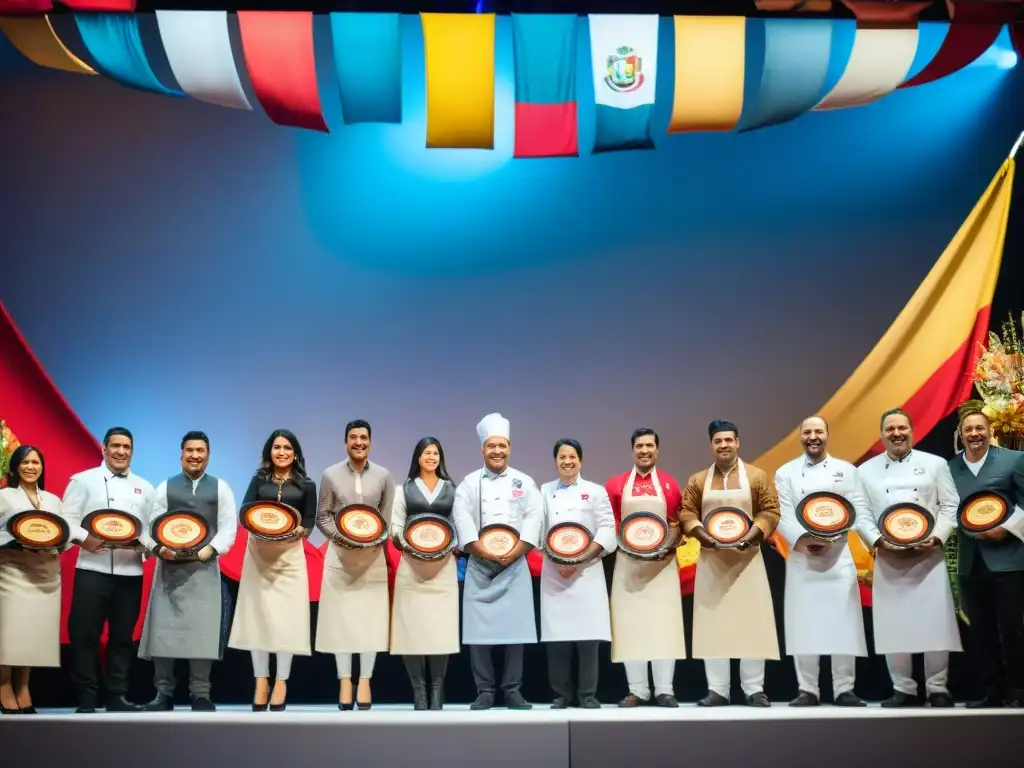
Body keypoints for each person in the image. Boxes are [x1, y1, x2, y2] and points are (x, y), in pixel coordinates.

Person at [858, 408, 960, 707]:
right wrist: (878, 541)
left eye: (901, 427)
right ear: (881, 434)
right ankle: (903, 688)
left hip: (929, 555)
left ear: (912, 431)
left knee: (936, 622)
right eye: (890, 429)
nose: (896, 433)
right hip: (889, 557)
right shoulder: (865, 471)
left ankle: (937, 688)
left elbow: (950, 505)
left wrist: (938, 536)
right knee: (894, 624)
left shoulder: (935, 464)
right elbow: (861, 513)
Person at [773, 416, 876, 707]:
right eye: (807, 432)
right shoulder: (786, 472)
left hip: (838, 555)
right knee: (804, 624)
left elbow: (858, 508)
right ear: (801, 437)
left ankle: (845, 689)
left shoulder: (846, 470)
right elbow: (783, 514)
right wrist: (804, 540)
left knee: (844, 623)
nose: (813, 437)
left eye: (818, 431)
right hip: (802, 558)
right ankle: (808, 690)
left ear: (827, 435)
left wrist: (876, 543)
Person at [682, 420, 781, 707]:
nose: (723, 445)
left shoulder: (757, 476)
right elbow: (687, 513)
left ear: (738, 442)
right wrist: (706, 538)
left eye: (728, 440)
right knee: (713, 624)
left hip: (748, 559)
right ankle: (718, 690)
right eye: (717, 441)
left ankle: (753, 689)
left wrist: (750, 537)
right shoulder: (698, 480)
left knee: (753, 623)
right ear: (711, 445)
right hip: (711, 560)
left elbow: (770, 510)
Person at [139, 431, 238, 712]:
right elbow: (150, 526)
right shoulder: (165, 487)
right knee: (164, 632)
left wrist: (212, 549)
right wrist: (160, 550)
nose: (195, 455)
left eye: (201, 450)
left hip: (204, 568)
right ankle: (163, 694)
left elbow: (229, 526)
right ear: (181, 454)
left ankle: (200, 693)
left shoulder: (221, 488)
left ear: (208, 455)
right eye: (190, 450)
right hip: (169, 569)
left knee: (201, 632)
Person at [60, 427, 154, 714]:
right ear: (104, 448)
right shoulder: (83, 481)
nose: (121, 451)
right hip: (92, 568)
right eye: (115, 446)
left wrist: (144, 546)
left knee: (122, 638)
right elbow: (66, 520)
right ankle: (87, 696)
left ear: (132, 451)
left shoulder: (145, 488)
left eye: (126, 446)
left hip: (130, 573)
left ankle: (117, 696)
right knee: (84, 634)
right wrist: (81, 538)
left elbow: (151, 531)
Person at [452, 412, 541, 710]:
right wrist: (480, 550)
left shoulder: (524, 481)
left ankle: (513, 690)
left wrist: (516, 552)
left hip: (516, 565)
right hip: (480, 564)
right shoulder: (468, 483)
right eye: (491, 446)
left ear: (510, 448)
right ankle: (485, 691)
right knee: (479, 633)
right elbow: (461, 516)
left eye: (502, 445)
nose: (497, 451)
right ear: (482, 450)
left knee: (516, 631)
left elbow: (534, 516)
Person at [228, 429, 316, 712]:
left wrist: (302, 530)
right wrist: (257, 524)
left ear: (295, 453)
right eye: (276, 447)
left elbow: (311, 519)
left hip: (290, 556)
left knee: (286, 621)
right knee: (258, 619)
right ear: (269, 452)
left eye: (287, 448)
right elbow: (245, 511)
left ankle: (281, 681)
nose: (281, 452)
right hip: (259, 554)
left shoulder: (307, 484)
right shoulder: (258, 480)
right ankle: (261, 680)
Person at [948, 400, 1024, 708]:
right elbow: (946, 508)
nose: (975, 434)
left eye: (980, 428)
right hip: (970, 562)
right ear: (960, 434)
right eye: (969, 430)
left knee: (1013, 629)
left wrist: (1005, 528)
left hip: (1009, 560)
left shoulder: (1013, 460)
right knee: (981, 631)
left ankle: (1019, 690)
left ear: (989, 431)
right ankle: (992, 691)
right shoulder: (950, 468)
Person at [315, 419, 395, 710]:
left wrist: (374, 540)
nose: (358, 442)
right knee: (341, 624)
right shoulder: (330, 474)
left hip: (373, 558)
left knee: (369, 624)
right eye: (353, 437)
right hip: (339, 556)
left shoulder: (385, 476)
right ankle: (345, 680)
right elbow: (322, 516)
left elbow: (387, 520)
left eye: (363, 437)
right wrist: (343, 538)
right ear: (345, 442)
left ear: (370, 442)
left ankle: (365, 680)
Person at [605, 428, 686, 707]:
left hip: (662, 564)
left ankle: (665, 689)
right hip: (628, 563)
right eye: (639, 446)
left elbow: (677, 522)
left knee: (665, 625)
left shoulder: (668, 483)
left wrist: (664, 548)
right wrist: (630, 547)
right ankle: (637, 690)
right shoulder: (616, 484)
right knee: (631, 627)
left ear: (657, 450)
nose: (644, 451)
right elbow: (612, 522)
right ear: (632, 450)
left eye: (650, 446)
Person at [540, 438, 616, 709]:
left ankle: (587, 695)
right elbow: (539, 531)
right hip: (554, 572)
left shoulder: (596, 491)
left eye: (572, 456)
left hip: (587, 572)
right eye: (562, 457)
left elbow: (607, 528)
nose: (567, 461)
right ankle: (560, 694)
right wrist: (557, 560)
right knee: (557, 639)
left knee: (588, 638)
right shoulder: (544, 491)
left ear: (580, 461)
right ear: (556, 461)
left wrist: (580, 559)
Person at [389, 437, 459, 710]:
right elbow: (395, 525)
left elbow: (458, 525)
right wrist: (408, 545)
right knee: (413, 631)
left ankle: (436, 690)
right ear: (417, 457)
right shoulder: (402, 489)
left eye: (435, 453)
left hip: (443, 568)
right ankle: (419, 691)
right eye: (426, 453)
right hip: (412, 566)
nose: (431, 457)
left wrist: (449, 546)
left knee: (440, 630)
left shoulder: (452, 489)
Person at [0, 446, 65, 715]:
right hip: (12, 569)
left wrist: (60, 543)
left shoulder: (52, 500)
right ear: (16, 467)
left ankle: (24, 685)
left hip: (46, 572)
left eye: (36, 462)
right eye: (25, 462)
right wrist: (14, 540)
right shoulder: (3, 496)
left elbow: (62, 534)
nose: (31, 467)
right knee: (11, 631)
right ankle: (4, 685)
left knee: (33, 633)